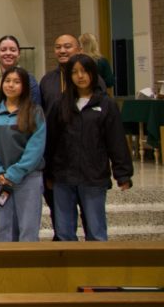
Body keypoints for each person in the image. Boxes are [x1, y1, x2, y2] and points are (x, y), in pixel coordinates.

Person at [45, 54, 132, 241]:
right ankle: (68, 270)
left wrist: (122, 173)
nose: (80, 76)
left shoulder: (106, 104)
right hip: (63, 176)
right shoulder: (61, 104)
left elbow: (116, 141)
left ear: (93, 74)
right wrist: (48, 174)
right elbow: (51, 140)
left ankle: (97, 270)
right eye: (75, 72)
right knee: (64, 232)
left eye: (84, 71)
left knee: (96, 231)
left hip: (94, 177)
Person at [0, 67, 46, 242]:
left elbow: (36, 148)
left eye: (17, 82)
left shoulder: (35, 112)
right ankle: (3, 266)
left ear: (24, 86)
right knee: (3, 227)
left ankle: (28, 266)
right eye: (8, 81)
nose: (11, 85)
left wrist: (14, 173)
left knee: (28, 227)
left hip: (28, 178)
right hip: (0, 179)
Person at [0, 35, 42, 107]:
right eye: (3, 50)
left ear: (19, 54)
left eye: (13, 50)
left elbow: (35, 108)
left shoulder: (29, 79)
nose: (8, 53)